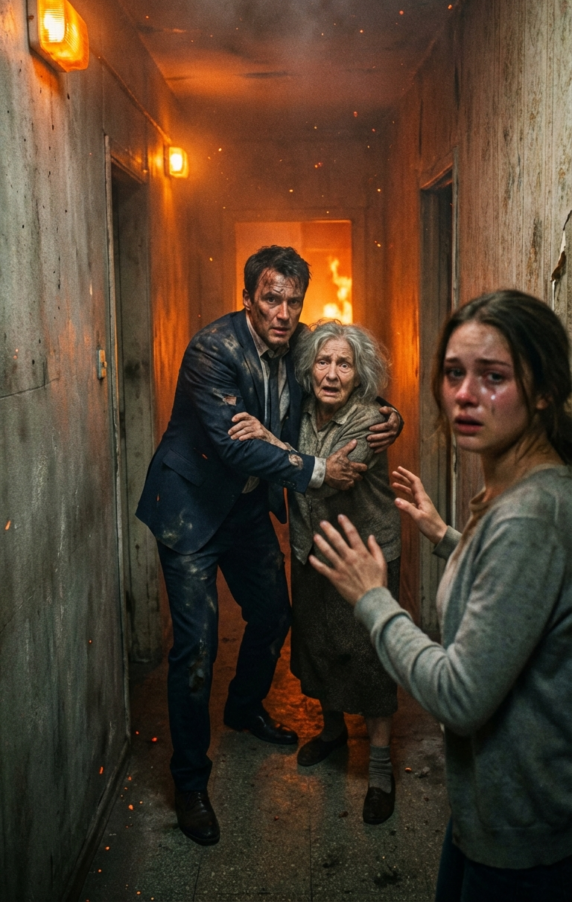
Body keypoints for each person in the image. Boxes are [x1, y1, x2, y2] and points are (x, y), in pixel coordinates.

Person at [309, 289, 572, 901]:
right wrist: (448, 536)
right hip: (487, 806)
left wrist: (374, 599)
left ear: (543, 391)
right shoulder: (515, 494)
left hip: (525, 833)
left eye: (494, 376)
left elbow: (458, 696)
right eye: (454, 373)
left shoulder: (531, 514)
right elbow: (513, 598)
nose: (465, 394)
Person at [136, 245, 403, 846]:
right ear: (248, 298)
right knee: (197, 648)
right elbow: (234, 445)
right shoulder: (211, 350)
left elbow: (346, 381)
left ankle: (244, 706)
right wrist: (316, 469)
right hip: (191, 509)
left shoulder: (301, 341)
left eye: (293, 301)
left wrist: (389, 415)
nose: (283, 313)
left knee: (274, 614)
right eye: (271, 299)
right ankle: (190, 782)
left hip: (246, 507)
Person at [229, 319, 401, 824]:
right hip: (312, 550)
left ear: (359, 374)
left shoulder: (369, 421)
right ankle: (333, 731)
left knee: (371, 659)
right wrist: (276, 441)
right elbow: (297, 463)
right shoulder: (299, 411)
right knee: (318, 646)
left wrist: (267, 440)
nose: (331, 373)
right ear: (309, 369)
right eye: (323, 361)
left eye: (344, 364)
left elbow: (327, 477)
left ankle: (380, 769)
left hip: (364, 557)